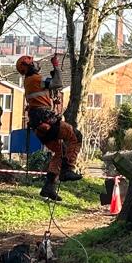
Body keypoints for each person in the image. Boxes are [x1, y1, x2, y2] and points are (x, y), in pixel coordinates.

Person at [16, 53, 82, 201]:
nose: (37, 64)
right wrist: (56, 66)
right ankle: (68, 169)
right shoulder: (36, 79)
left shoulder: (29, 82)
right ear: (29, 66)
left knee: (60, 152)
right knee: (76, 136)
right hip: (47, 120)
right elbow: (58, 83)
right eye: (33, 62)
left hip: (39, 126)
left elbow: (48, 90)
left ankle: (49, 186)